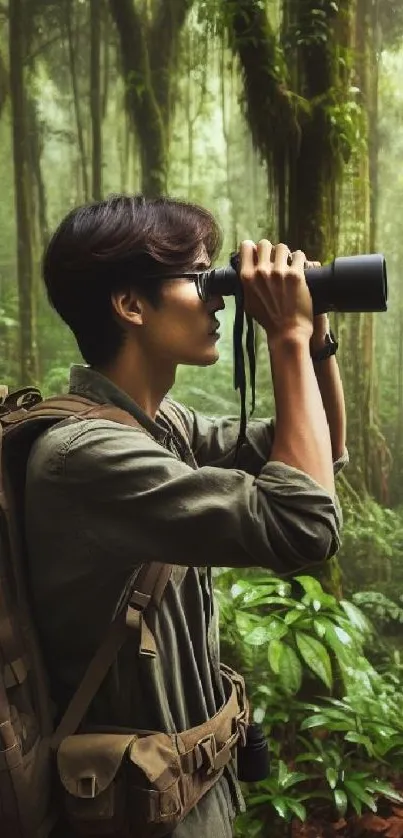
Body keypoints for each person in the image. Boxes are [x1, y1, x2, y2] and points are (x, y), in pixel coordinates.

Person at [25, 194, 347, 838]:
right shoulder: (87, 455)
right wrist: (284, 333)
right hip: (133, 816)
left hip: (190, 794)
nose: (221, 298)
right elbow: (306, 522)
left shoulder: (158, 424)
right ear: (131, 305)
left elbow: (321, 449)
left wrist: (314, 335)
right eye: (203, 278)